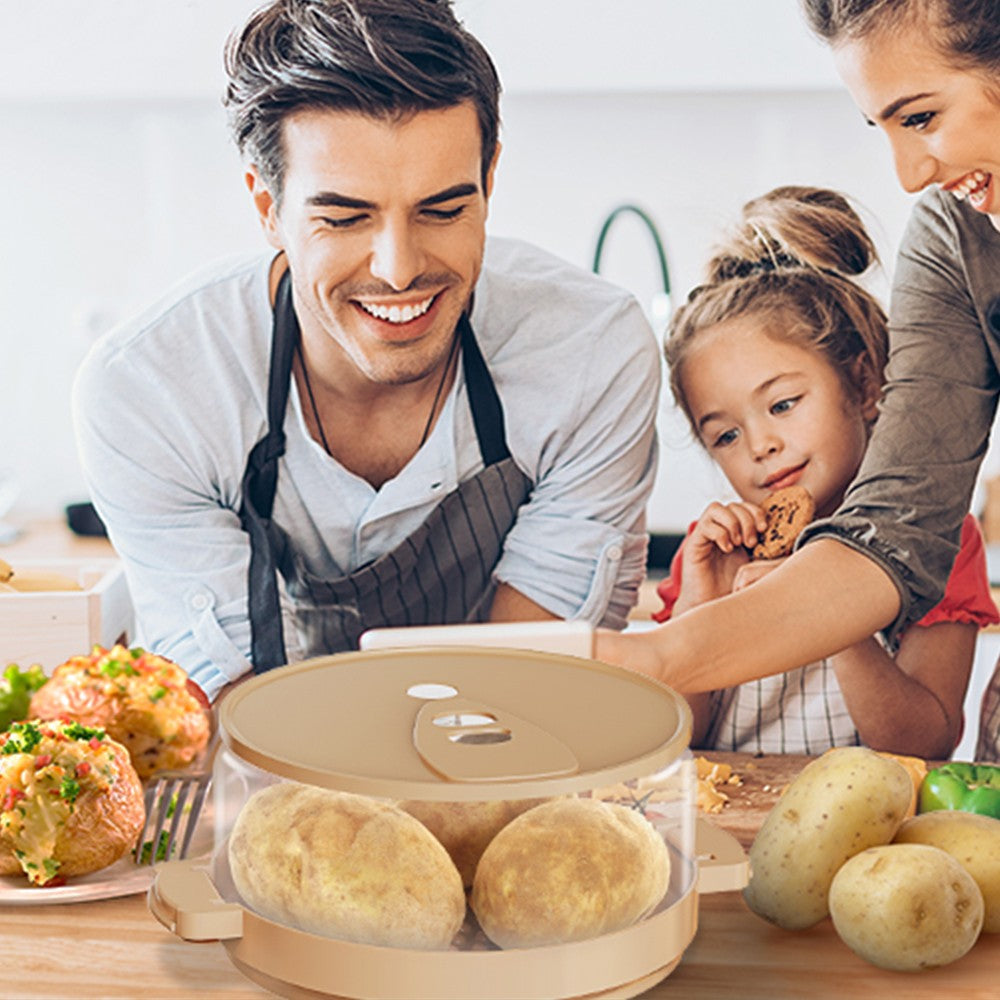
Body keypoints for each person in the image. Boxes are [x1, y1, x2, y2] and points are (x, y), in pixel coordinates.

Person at [72, 0, 660, 702]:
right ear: (268, 206)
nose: (399, 268)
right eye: (345, 218)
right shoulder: (151, 389)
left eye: (442, 210)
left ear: (490, 178)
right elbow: (235, 699)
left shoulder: (591, 352)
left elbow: (531, 679)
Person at [595, 0, 1000, 763]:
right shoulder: (955, 238)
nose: (909, 175)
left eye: (919, 118)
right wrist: (660, 655)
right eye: (881, 127)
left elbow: (921, 735)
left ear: (860, 383)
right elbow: (900, 527)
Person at [652, 185, 998, 755]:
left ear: (864, 385)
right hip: (727, 833)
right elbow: (672, 747)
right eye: (726, 435)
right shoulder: (713, 553)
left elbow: (923, 746)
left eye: (783, 404)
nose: (760, 445)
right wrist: (700, 609)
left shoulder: (938, 540)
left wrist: (827, 613)